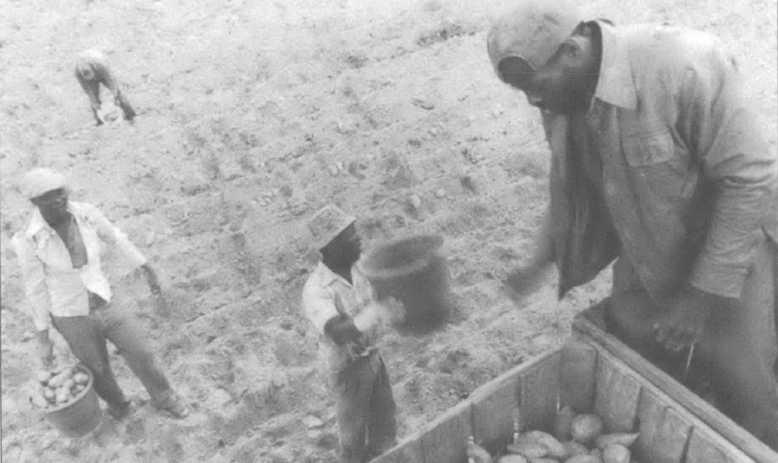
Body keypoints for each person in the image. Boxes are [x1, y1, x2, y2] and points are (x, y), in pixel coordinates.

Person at [487, 0, 778, 449]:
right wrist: (539, 259)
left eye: (534, 84)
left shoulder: (684, 66)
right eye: (521, 90)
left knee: (748, 399)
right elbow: (570, 187)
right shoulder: (563, 98)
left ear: (572, 49)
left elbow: (751, 181)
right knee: (632, 374)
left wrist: (699, 298)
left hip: (728, 258)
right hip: (645, 250)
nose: (532, 99)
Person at [12, 168, 189, 420]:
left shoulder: (87, 214)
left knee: (140, 351)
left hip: (104, 300)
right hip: (71, 315)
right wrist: (43, 337)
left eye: (60, 192)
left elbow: (117, 239)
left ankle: (164, 397)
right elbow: (35, 289)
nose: (57, 199)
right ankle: (120, 406)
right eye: (47, 196)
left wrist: (147, 269)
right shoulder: (28, 241)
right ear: (34, 202)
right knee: (96, 367)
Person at [302, 204, 404, 463]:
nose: (358, 238)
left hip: (373, 358)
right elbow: (338, 332)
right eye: (350, 235)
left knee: (385, 424)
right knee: (353, 439)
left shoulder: (359, 267)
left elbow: (384, 284)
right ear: (331, 246)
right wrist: (376, 313)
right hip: (347, 372)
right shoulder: (317, 290)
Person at [75, 49, 136, 125]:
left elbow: (111, 79)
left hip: (102, 72)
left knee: (119, 94)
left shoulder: (100, 63)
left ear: (93, 69)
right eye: (90, 78)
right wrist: (93, 101)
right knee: (94, 98)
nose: (93, 79)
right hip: (91, 75)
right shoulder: (77, 72)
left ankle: (130, 115)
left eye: (92, 76)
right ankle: (100, 120)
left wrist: (115, 95)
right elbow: (87, 88)